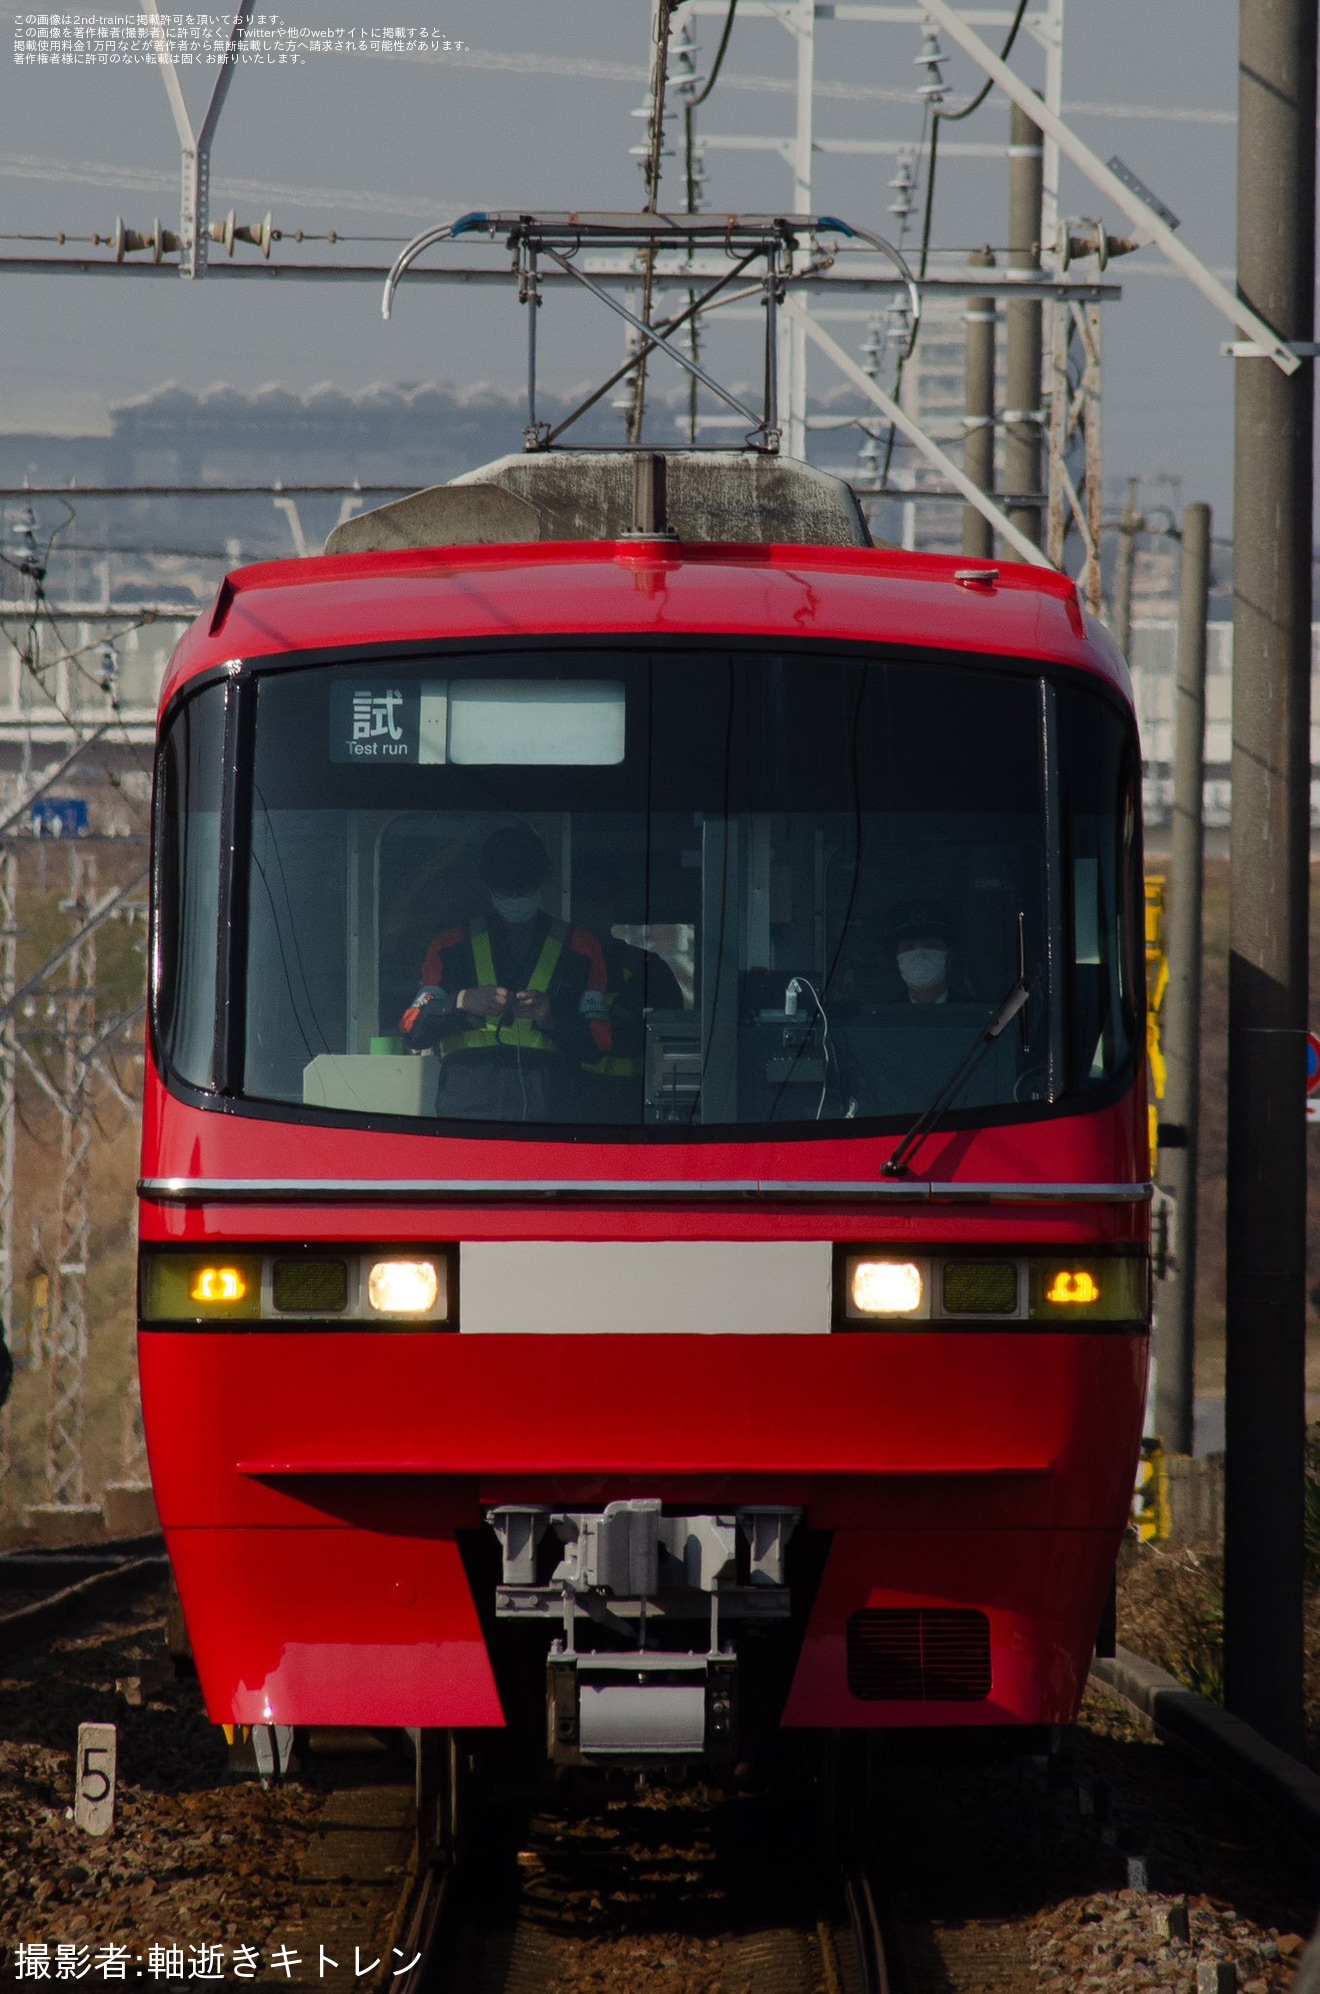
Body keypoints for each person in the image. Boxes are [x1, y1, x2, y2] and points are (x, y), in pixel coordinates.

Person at [400, 825, 611, 1121]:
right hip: (467, 1118)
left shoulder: (582, 948)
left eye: (523, 885)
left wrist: (550, 1016)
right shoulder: (449, 947)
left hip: (551, 1120)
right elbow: (413, 1030)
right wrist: (460, 1001)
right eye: (504, 885)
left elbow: (599, 1044)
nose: (514, 894)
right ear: (487, 883)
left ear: (544, 879)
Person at [886, 902, 966, 1005]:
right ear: (897, 960)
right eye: (909, 947)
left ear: (950, 956)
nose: (920, 954)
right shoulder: (885, 1017)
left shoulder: (976, 1014)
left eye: (931, 945)